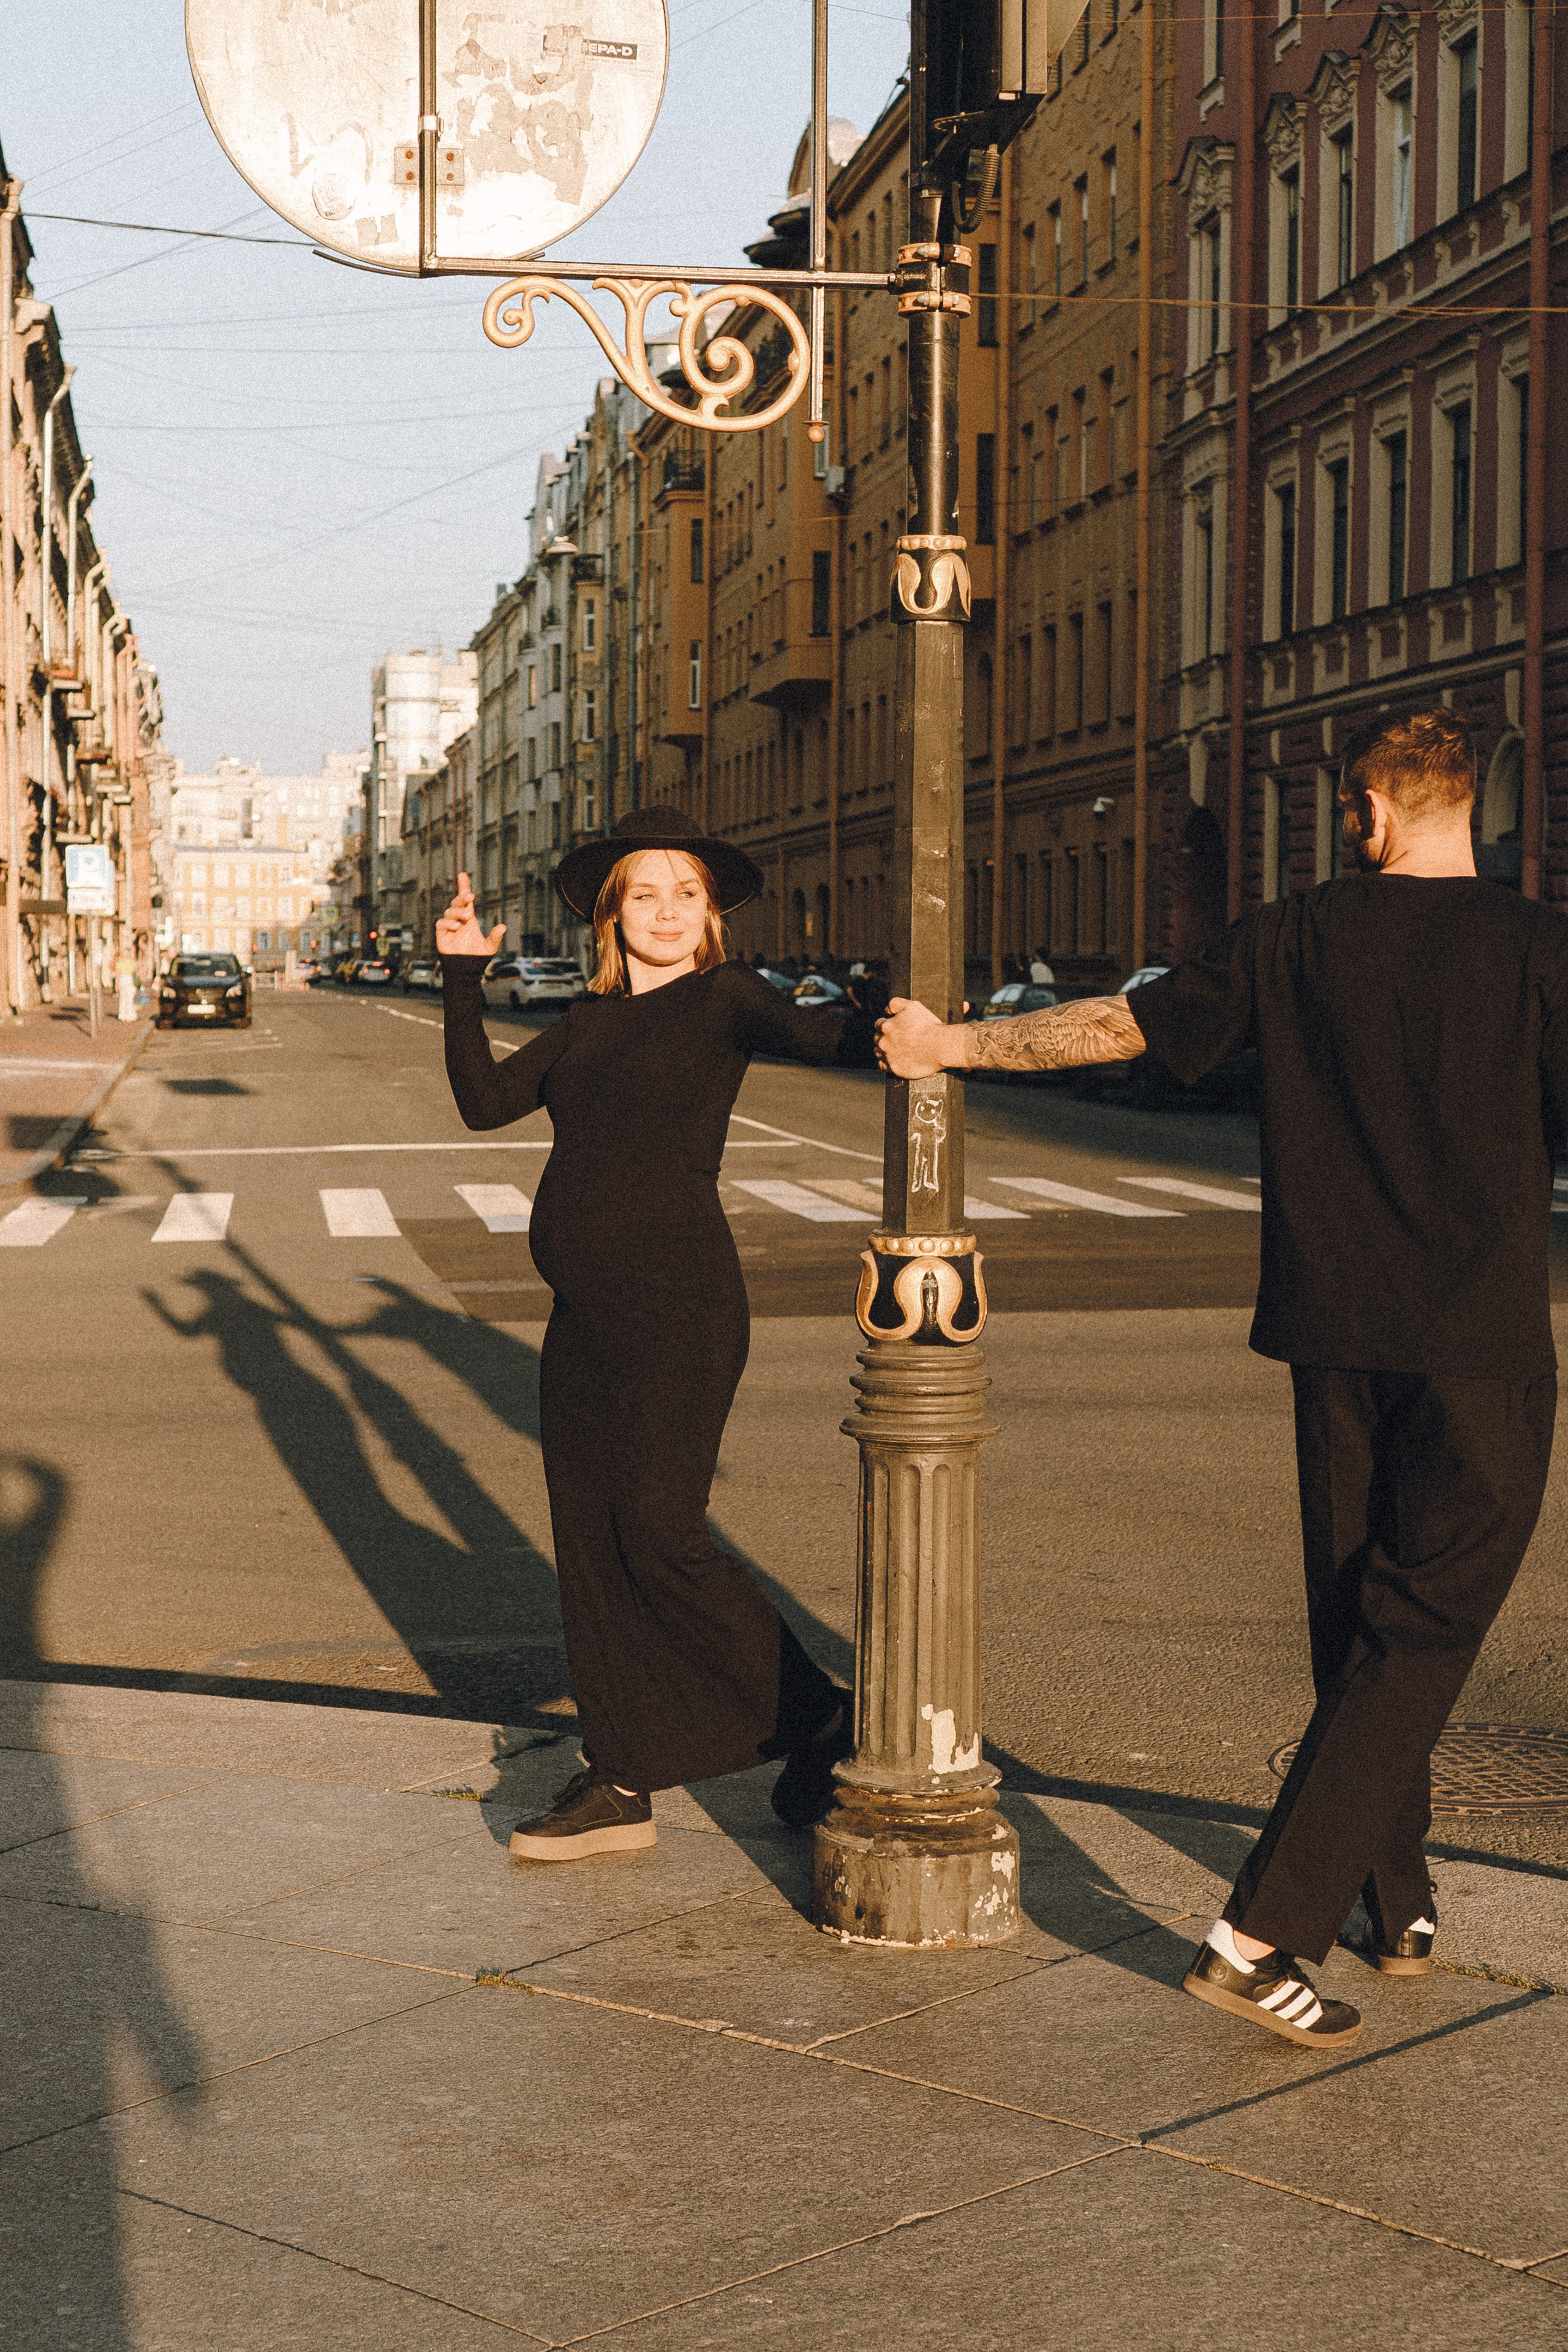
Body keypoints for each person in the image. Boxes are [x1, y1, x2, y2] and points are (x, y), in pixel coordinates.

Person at [876, 709, 1568, 2049]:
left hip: (1328, 1328)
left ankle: (1394, 1891)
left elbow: (1123, 1031)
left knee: (1354, 1610)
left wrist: (952, 1048)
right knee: (1421, 1628)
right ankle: (1258, 1937)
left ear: (1364, 812)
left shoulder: (1296, 936)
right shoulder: (1540, 948)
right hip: (1476, 1335)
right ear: (1469, 807)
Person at [437, 805, 865, 1862]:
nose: (667, 912)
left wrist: (903, 1004)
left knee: (660, 1528)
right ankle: (619, 1777)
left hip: (682, 1307)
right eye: (645, 894)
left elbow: (832, 1039)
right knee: (589, 1540)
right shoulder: (586, 1020)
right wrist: (460, 976)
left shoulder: (729, 1002)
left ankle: (822, 1715)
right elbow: (485, 1103)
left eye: (687, 894)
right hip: (584, 1318)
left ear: (710, 914)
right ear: (612, 915)